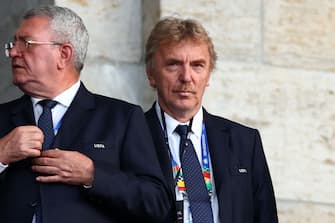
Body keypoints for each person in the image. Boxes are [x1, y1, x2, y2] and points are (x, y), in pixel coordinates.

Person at [0, 5, 173, 223]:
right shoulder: (3, 118)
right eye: (13, 44)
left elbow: (157, 204)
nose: (14, 52)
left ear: (64, 54)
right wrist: (2, 154)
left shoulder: (121, 117)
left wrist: (93, 175)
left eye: (26, 43)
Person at [144, 17, 278, 223]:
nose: (187, 77)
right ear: (151, 73)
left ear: (208, 75)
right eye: (173, 65)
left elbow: (265, 217)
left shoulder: (244, 141)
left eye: (197, 65)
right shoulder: (130, 136)